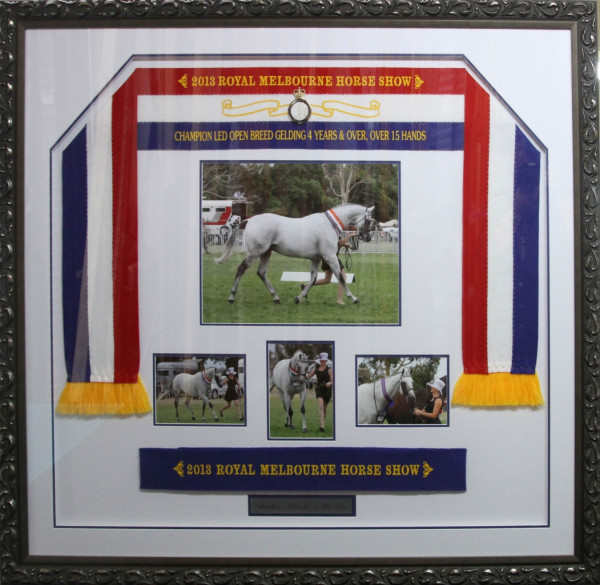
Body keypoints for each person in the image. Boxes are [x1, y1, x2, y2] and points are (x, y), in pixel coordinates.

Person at [301, 226, 358, 305]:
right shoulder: (334, 232)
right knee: (343, 277)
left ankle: (306, 285)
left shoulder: (333, 231)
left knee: (327, 280)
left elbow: (338, 243)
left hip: (327, 257)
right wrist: (349, 236)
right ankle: (339, 300)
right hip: (331, 257)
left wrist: (345, 244)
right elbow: (340, 243)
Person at [306, 352, 333, 432]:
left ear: (326, 361)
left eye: (324, 360)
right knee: (321, 407)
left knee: (324, 409)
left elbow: (332, 381)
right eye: (321, 360)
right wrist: (300, 375)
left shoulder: (329, 370)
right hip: (319, 389)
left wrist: (330, 383)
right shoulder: (316, 369)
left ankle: (321, 423)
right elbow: (307, 377)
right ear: (320, 360)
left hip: (327, 390)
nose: (322, 361)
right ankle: (322, 426)